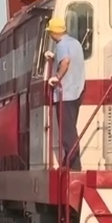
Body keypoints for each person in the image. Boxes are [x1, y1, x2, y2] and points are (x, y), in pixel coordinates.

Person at [46, 17, 86, 171]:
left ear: (53, 33)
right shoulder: (75, 43)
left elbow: (66, 61)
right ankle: (69, 162)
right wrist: (54, 56)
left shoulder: (61, 44)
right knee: (71, 128)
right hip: (78, 91)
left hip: (66, 93)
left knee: (66, 132)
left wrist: (57, 77)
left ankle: (73, 165)